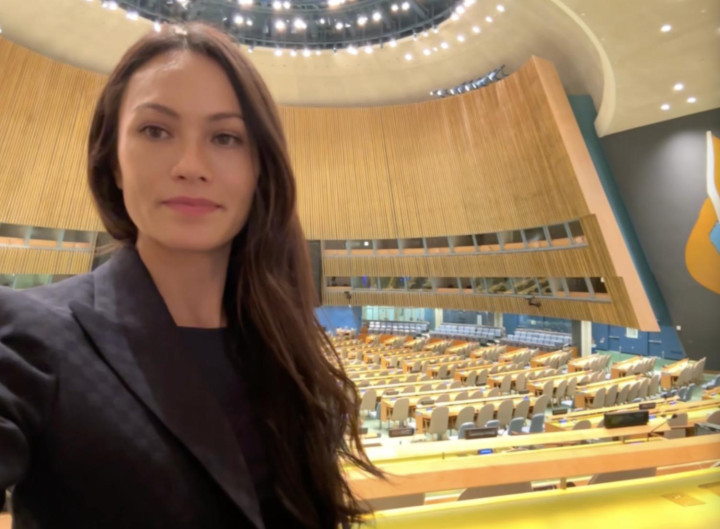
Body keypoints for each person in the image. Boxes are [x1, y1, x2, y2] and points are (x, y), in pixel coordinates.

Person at [0, 22, 380, 528]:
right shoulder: (30, 334)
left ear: (258, 171)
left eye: (225, 137)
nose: (191, 165)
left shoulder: (287, 349)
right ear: (113, 162)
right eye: (155, 131)